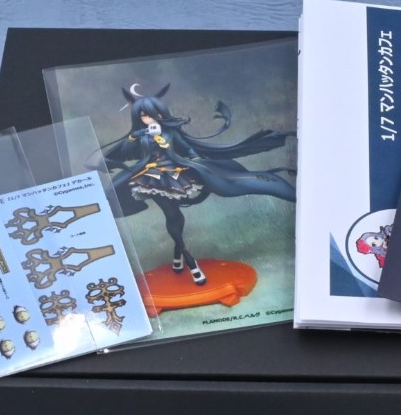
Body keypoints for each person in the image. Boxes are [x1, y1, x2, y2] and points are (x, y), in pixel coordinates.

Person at [98, 85, 294, 284]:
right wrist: (133, 137)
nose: (150, 118)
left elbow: (187, 149)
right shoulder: (139, 137)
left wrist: (198, 161)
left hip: (177, 174)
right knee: (172, 215)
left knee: (178, 215)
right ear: (138, 117)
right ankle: (190, 262)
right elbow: (125, 152)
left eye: (154, 114)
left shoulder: (170, 134)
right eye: (144, 115)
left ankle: (177, 256)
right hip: (152, 179)